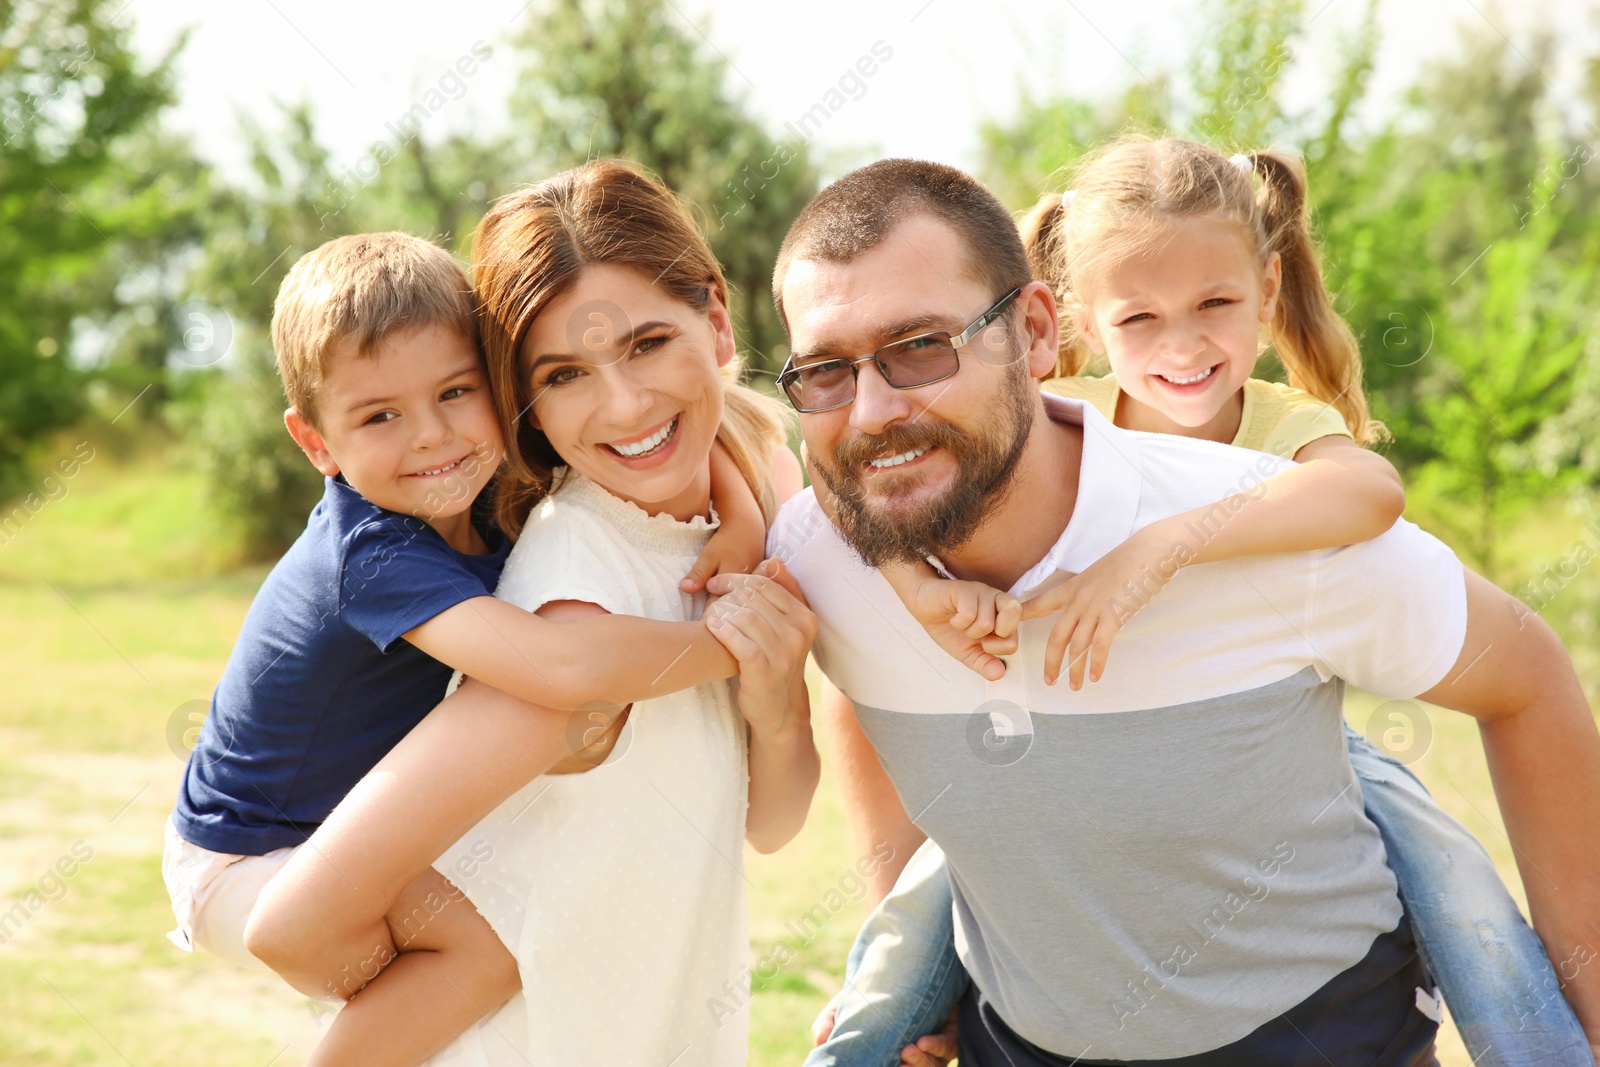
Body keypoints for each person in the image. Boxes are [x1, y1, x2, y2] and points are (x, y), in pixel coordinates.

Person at [757, 156, 1600, 1065]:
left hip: (1321, 1035)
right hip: (1023, 1042)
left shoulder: (1271, 513)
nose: (875, 409)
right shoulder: (825, 551)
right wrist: (923, 972)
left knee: (1456, 894)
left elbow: (1526, 678)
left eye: (923, 345)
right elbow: (851, 655)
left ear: (1037, 333)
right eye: (827, 372)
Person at [245, 160, 820, 1066]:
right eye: (564, 374)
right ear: (527, 403)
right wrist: (738, 641)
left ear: (715, 319)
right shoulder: (567, 601)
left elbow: (772, 821)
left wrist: (775, 680)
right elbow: (297, 919)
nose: (626, 404)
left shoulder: (741, 503)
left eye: (646, 343)